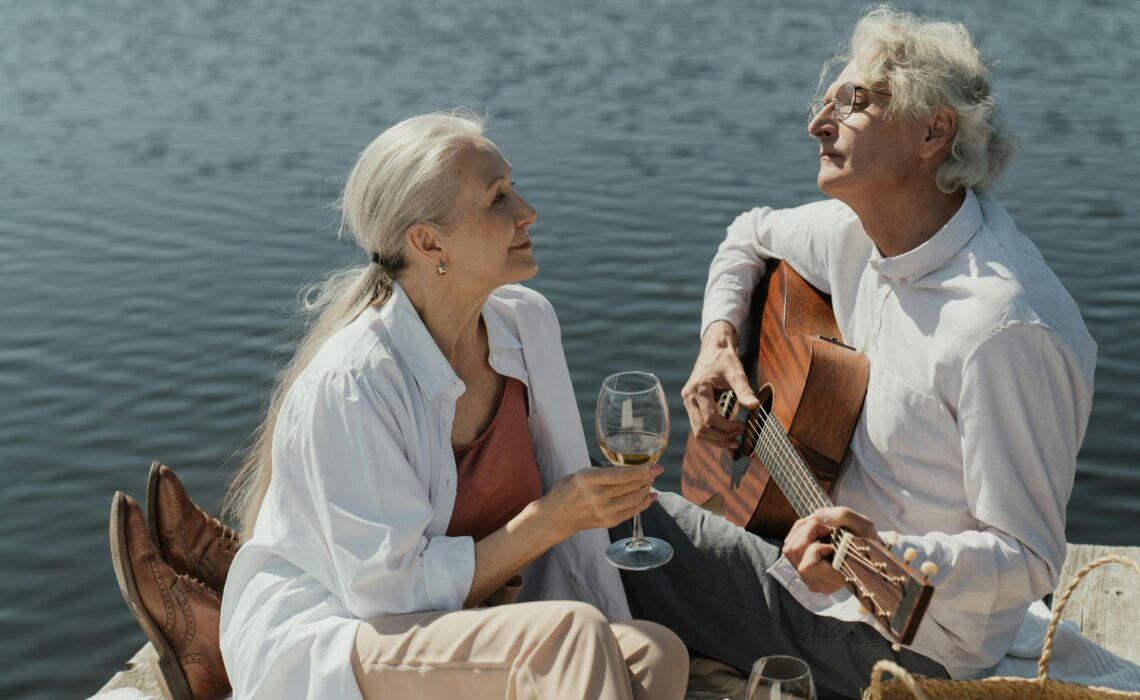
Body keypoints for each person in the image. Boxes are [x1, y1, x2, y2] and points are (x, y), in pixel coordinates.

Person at [613, 5, 1097, 699]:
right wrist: (717, 343)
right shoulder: (858, 232)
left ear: (934, 132)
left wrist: (876, 555)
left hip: (914, 641)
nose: (818, 124)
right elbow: (747, 235)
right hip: (819, 562)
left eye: (856, 103)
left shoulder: (1004, 327)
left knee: (621, 521)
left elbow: (1029, 560)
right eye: (826, 101)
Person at [209, 111, 689, 699]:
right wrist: (551, 518)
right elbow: (387, 596)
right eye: (497, 200)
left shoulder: (526, 322)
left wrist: (575, 535)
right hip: (346, 637)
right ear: (428, 241)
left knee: (655, 653)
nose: (527, 211)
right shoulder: (356, 381)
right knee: (572, 636)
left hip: (463, 624)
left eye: (512, 189)